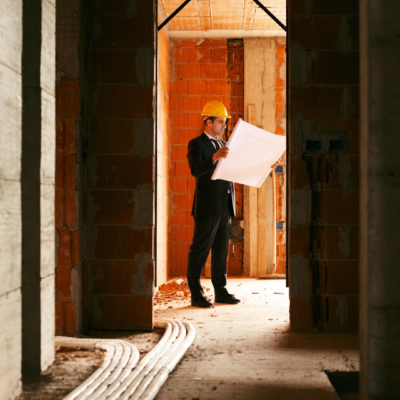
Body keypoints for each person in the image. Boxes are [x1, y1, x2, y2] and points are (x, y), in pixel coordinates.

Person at [186, 100, 281, 308]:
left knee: (221, 251)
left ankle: (221, 291)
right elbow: (195, 169)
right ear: (208, 121)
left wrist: (266, 164)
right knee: (200, 250)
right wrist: (213, 159)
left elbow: (242, 167)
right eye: (221, 122)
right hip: (207, 207)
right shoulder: (197, 144)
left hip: (224, 206)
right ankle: (196, 295)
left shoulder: (223, 145)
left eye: (225, 123)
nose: (224, 126)